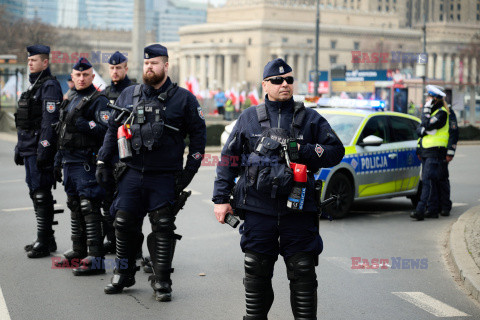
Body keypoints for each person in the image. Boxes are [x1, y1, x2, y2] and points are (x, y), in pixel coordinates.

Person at [212, 58, 345, 320]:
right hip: (258, 210)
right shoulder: (249, 118)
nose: (284, 84)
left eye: (289, 80)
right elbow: (229, 160)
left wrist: (305, 151)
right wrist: (220, 199)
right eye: (277, 80)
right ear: (265, 85)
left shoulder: (310, 118)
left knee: (303, 269)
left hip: (299, 207)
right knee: (256, 269)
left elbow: (336, 151)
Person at [96, 44, 206, 301]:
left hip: (164, 176)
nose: (149, 67)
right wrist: (102, 161)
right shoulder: (128, 95)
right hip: (131, 173)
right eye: (146, 63)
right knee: (123, 223)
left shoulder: (184, 99)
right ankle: (124, 274)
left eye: (155, 63)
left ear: (166, 65)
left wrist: (187, 173)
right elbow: (113, 130)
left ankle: (162, 280)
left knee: (163, 227)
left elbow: (198, 139)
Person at [53, 57, 110, 275]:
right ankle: (79, 251)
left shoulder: (99, 100)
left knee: (89, 206)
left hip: (87, 160)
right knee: (74, 204)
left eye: (86, 74)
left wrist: (85, 125)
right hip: (69, 160)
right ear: (73, 77)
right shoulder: (72, 98)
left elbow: (106, 130)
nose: (81, 78)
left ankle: (96, 258)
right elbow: (62, 132)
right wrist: (57, 160)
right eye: (78, 75)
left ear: (92, 76)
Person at [14, 45, 63, 258]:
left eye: (34, 60)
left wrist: (44, 149)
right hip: (28, 148)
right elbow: (24, 121)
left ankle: (44, 240)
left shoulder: (49, 86)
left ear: (45, 62)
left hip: (38, 148)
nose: (30, 63)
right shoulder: (33, 87)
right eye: (29, 60)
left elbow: (49, 122)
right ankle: (46, 238)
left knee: (42, 193)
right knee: (35, 191)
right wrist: (19, 146)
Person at [101, 51, 137, 254]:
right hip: (109, 154)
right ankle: (113, 241)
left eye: (118, 68)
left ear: (126, 68)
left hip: (126, 155)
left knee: (128, 204)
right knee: (108, 202)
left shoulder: (134, 92)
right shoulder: (104, 93)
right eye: (112, 68)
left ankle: (132, 247)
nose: (115, 71)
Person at [411, 84, 450, 221]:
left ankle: (420, 210)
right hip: (426, 151)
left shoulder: (442, 113)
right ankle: (432, 210)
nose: (426, 99)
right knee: (430, 181)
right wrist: (424, 126)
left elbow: (426, 125)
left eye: (429, 97)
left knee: (427, 180)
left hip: (435, 151)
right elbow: (420, 129)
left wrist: (425, 115)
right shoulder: (433, 113)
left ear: (434, 99)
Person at [436, 91, 459, 216]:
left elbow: (453, 132)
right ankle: (435, 205)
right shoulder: (431, 110)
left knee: (442, 178)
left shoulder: (448, 111)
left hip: (443, 151)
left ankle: (445, 205)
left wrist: (450, 152)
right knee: (432, 179)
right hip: (432, 150)